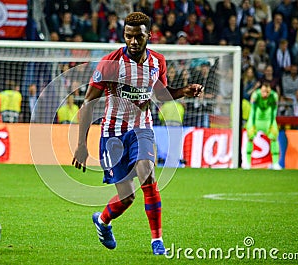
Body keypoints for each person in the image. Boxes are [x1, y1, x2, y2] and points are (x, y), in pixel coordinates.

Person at [71, 12, 204, 255]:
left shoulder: (158, 62)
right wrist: (82, 144)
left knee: (147, 174)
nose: (133, 41)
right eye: (129, 36)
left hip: (142, 128)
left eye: (138, 36)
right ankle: (102, 221)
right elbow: (88, 103)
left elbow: (161, 94)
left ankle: (157, 241)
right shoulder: (110, 63)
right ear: (124, 35)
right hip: (112, 134)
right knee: (127, 197)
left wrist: (184, 91)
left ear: (148, 36)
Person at [245, 82, 281, 170]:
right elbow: (252, 107)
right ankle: (248, 163)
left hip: (268, 120)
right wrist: (252, 123)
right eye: (263, 91)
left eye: (267, 92)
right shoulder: (256, 94)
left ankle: (275, 163)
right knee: (250, 138)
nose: (265, 94)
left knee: (274, 138)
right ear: (261, 90)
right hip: (256, 120)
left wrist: (273, 122)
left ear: (270, 91)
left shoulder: (274, 96)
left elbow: (275, 109)